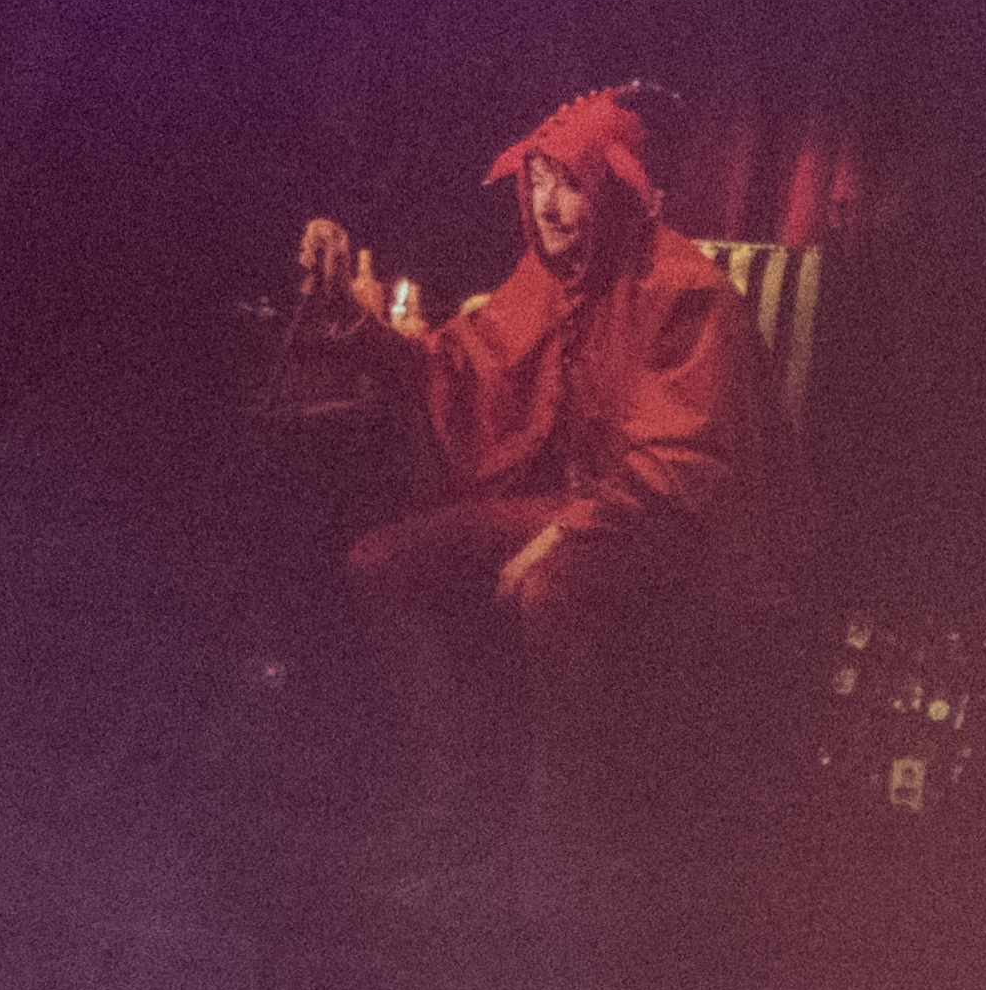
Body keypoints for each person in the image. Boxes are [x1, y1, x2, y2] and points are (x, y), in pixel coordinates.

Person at [286, 89, 779, 837]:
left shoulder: (685, 291)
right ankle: (450, 808)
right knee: (381, 560)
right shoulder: (546, 276)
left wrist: (562, 534)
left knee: (547, 588)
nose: (547, 206)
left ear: (614, 189)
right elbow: (452, 367)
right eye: (538, 180)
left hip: (675, 530)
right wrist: (352, 318)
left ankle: (563, 836)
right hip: (588, 511)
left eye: (570, 184)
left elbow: (680, 465)